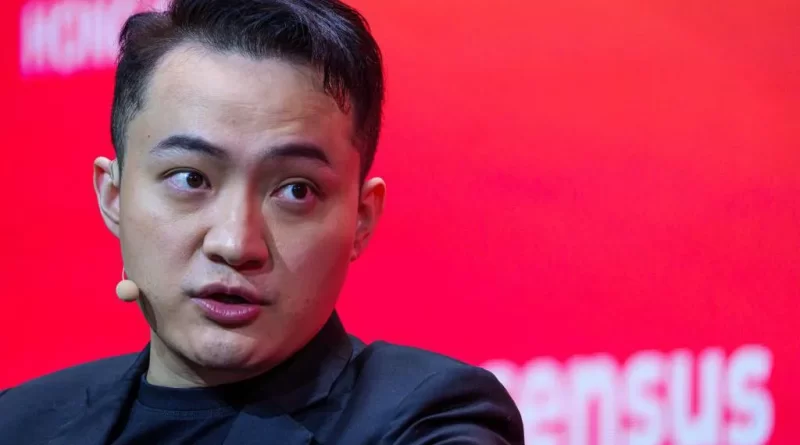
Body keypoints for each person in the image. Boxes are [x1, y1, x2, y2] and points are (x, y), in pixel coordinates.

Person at [0, 0, 524, 443]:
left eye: (296, 190)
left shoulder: (429, 417)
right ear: (113, 195)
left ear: (361, 219)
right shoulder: (19, 422)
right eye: (190, 179)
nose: (236, 243)